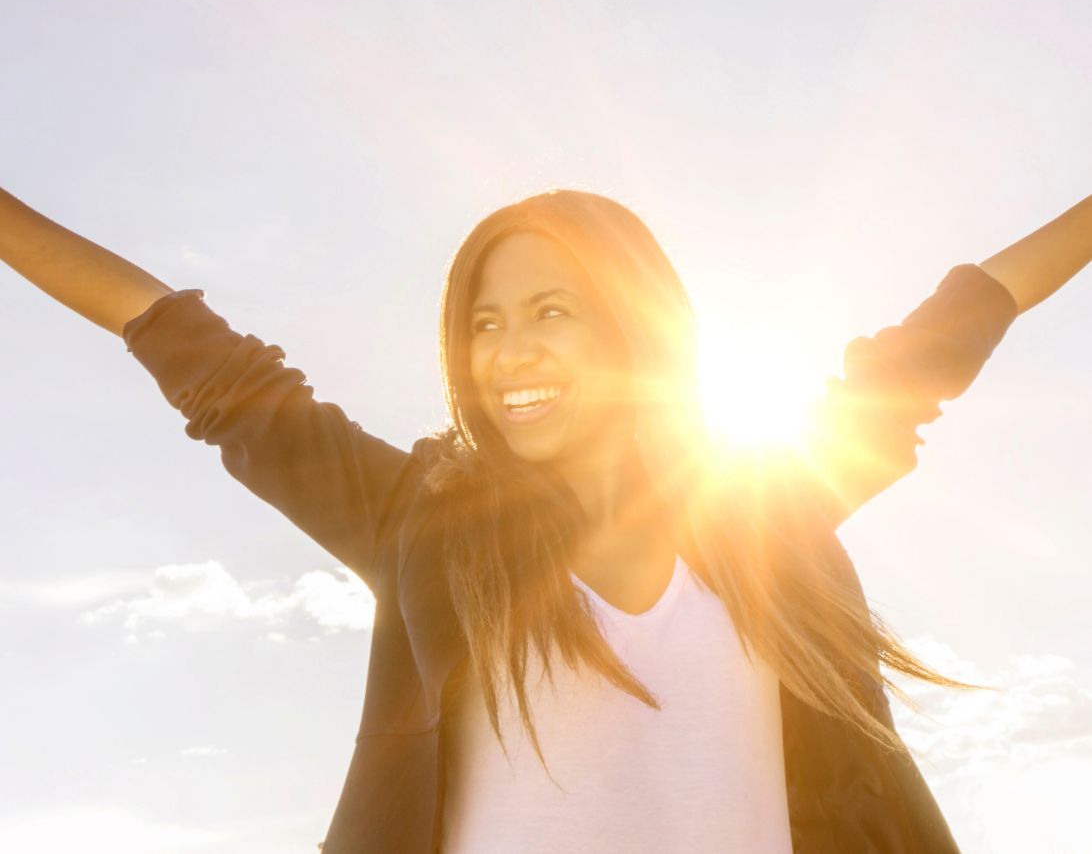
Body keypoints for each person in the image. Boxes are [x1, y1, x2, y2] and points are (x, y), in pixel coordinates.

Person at [2, 185, 1089, 853]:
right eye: (484, 322)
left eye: (551, 312)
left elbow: (949, 334)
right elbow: (188, 348)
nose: (508, 352)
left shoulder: (764, 510)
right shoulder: (418, 523)